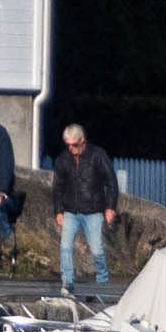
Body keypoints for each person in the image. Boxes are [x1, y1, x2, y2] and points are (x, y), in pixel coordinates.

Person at [48, 122, 103, 291]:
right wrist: (58, 210)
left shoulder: (96, 155)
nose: (71, 148)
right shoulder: (63, 159)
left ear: (82, 141)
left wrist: (109, 207)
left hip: (93, 210)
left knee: (97, 249)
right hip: (70, 210)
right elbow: (58, 186)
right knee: (65, 246)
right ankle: (67, 282)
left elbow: (110, 181)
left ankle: (102, 280)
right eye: (68, 145)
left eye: (75, 145)